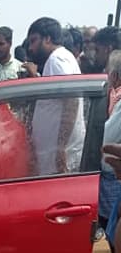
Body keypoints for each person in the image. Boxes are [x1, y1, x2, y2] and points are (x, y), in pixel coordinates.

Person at [26, 17, 84, 175]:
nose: (30, 48)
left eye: (33, 41)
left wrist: (61, 147)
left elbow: (71, 101)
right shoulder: (61, 58)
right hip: (53, 155)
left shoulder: (57, 60)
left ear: (47, 38)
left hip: (58, 157)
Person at [96, 51, 121, 253]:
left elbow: (106, 141)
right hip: (112, 173)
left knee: (114, 235)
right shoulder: (116, 99)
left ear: (113, 75)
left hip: (115, 176)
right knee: (112, 232)